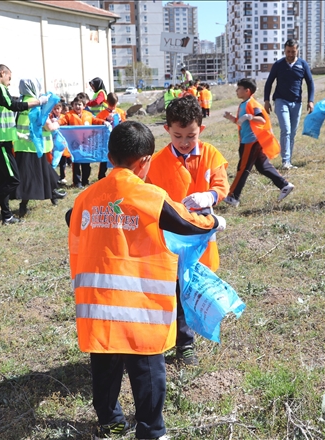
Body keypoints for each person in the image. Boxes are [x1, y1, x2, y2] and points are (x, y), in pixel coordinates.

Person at [67, 120, 225, 440]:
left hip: (98, 305)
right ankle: (151, 430)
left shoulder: (87, 197)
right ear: (145, 162)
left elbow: (71, 219)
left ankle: (110, 422)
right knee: (148, 371)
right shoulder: (149, 196)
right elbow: (184, 223)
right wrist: (213, 221)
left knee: (104, 367)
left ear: (110, 158)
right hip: (141, 307)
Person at [146, 94, 229, 366]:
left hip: (200, 233)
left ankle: (187, 339)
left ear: (200, 130)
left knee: (193, 286)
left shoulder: (211, 154)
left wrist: (210, 197)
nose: (184, 142)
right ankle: (181, 341)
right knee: (173, 287)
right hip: (170, 236)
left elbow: (221, 186)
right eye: (177, 135)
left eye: (190, 136)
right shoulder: (156, 163)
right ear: (167, 129)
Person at [0, 64, 46, 226]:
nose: (9, 82)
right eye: (9, 78)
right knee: (13, 180)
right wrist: (38, 102)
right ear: (2, 73)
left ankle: (6, 216)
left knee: (3, 181)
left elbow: (1, 115)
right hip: (0, 142)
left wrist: (17, 134)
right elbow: (14, 106)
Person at [223, 78, 294, 207]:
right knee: (263, 167)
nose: (236, 91)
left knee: (243, 169)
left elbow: (261, 119)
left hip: (251, 141)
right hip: (248, 141)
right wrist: (231, 118)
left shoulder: (252, 104)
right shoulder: (243, 104)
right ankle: (284, 185)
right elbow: (240, 122)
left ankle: (233, 197)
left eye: (239, 88)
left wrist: (249, 116)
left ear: (247, 91)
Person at [14, 78, 66, 217]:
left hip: (20, 145)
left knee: (34, 174)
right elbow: (47, 125)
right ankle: (50, 194)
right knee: (37, 175)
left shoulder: (18, 103)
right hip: (35, 146)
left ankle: (52, 194)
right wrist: (58, 124)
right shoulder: (37, 102)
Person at [264, 39, 315, 170]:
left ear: (297, 50)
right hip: (281, 101)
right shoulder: (278, 64)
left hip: (297, 102)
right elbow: (269, 82)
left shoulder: (303, 64)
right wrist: (267, 101)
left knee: (292, 132)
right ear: (284, 51)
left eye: (293, 51)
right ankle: (285, 161)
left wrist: (310, 100)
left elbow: (310, 83)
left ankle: (289, 160)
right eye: (288, 51)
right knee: (285, 129)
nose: (290, 54)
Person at [61, 95, 108, 188]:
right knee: (76, 163)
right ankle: (77, 182)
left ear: (84, 106)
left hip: (87, 143)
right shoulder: (69, 115)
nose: (77, 106)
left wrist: (103, 122)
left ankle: (85, 180)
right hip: (75, 144)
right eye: (75, 104)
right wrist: (55, 124)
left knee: (86, 163)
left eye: (79, 104)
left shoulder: (88, 114)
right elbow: (62, 121)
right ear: (72, 105)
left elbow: (95, 120)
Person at [95, 92, 126, 180]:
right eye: (110, 104)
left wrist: (121, 120)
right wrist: (105, 120)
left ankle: (117, 174)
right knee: (105, 156)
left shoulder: (120, 112)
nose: (112, 107)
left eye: (114, 104)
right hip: (106, 139)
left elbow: (125, 124)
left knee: (118, 157)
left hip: (118, 138)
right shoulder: (102, 113)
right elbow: (96, 121)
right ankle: (101, 175)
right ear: (107, 103)